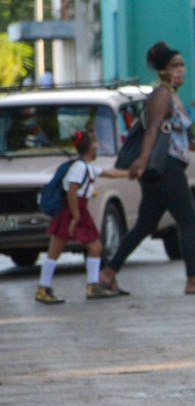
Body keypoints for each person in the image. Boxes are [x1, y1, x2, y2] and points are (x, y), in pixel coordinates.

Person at [99, 42, 195, 296]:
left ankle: (108, 272)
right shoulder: (162, 94)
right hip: (164, 168)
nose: (181, 70)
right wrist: (143, 160)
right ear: (163, 70)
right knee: (189, 220)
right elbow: (153, 128)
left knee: (145, 225)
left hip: (167, 167)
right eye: (175, 66)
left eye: (182, 65)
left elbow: (182, 137)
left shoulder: (174, 96)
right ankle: (193, 280)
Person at [35, 130, 130, 304]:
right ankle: (45, 288)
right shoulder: (80, 168)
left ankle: (90, 285)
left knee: (93, 247)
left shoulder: (86, 166)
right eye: (96, 145)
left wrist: (131, 173)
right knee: (60, 249)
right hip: (72, 211)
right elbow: (72, 192)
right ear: (91, 147)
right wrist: (76, 217)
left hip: (76, 210)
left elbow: (110, 173)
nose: (97, 149)